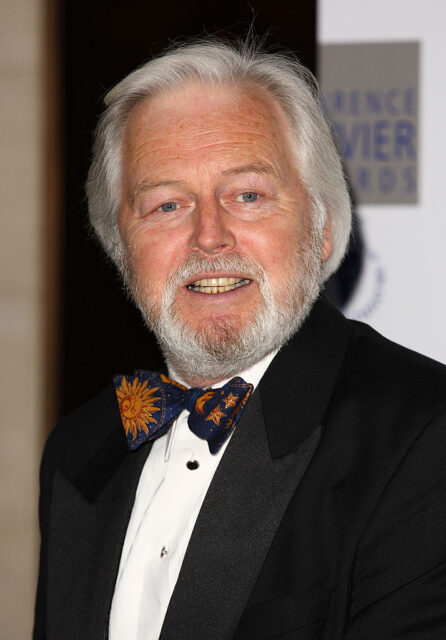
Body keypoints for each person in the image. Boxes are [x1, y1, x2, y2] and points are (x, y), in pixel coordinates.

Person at [34, 39, 446, 640]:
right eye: (167, 204)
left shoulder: (423, 435)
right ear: (122, 252)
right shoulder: (80, 449)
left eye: (247, 195)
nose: (208, 236)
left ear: (323, 228)